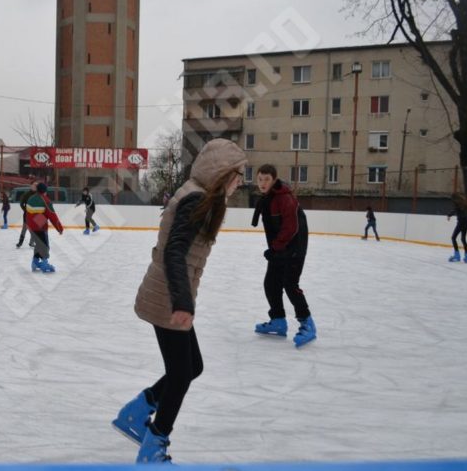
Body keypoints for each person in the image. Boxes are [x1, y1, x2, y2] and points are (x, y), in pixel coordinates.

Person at [114, 139, 247, 464]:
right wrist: (183, 303)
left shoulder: (199, 195)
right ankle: (154, 446)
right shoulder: (197, 199)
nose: (241, 181)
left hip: (169, 294)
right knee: (181, 374)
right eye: (238, 174)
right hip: (168, 298)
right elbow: (175, 251)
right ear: (222, 173)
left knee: (191, 367)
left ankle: (137, 411)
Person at [251, 164, 316, 348]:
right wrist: (275, 248)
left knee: (290, 283)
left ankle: (307, 323)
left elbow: (291, 227)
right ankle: (279, 321)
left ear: (274, 180)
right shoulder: (268, 198)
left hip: (295, 246)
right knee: (271, 283)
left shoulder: (284, 198)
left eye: (266, 180)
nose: (262, 183)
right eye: (260, 179)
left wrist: (276, 247)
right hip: (280, 247)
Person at [26, 182, 64, 272]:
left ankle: (35, 262)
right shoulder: (45, 200)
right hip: (40, 227)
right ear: (44, 191)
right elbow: (52, 216)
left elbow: (28, 214)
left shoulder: (31, 198)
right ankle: (44, 264)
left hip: (31, 226)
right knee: (44, 245)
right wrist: (59, 228)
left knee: (38, 245)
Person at [446, 192, 467, 263]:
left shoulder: (457, 203)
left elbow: (455, 210)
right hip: (466, 222)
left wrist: (449, 215)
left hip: (461, 222)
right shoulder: (465, 203)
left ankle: (457, 256)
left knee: (453, 237)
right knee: (463, 239)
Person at [16, 182, 37, 248]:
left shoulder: (38, 195)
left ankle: (31, 242)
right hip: (27, 215)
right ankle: (20, 242)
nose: (35, 186)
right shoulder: (26, 194)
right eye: (34, 185)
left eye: (36, 185)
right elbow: (21, 203)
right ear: (31, 186)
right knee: (24, 229)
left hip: (36, 215)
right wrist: (26, 210)